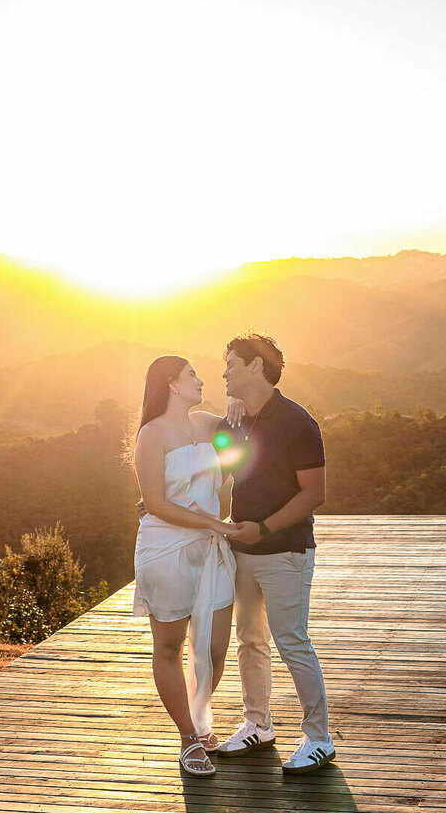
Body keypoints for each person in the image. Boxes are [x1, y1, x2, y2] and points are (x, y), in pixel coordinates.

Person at [215, 333, 337, 774]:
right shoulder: (238, 419)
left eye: (231, 363)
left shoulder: (298, 422)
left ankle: (319, 738)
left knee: (291, 641)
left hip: (284, 551)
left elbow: (314, 494)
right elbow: (223, 474)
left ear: (256, 367)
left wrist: (263, 529)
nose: (224, 371)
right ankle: (258, 724)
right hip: (242, 551)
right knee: (250, 640)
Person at [131, 355, 240, 778]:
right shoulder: (151, 435)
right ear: (172, 384)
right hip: (167, 547)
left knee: (213, 649)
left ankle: (197, 717)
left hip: (211, 544)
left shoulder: (207, 424)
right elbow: (155, 503)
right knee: (170, 648)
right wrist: (215, 522)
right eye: (192, 374)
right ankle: (188, 737)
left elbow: (242, 430)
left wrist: (236, 414)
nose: (201, 379)